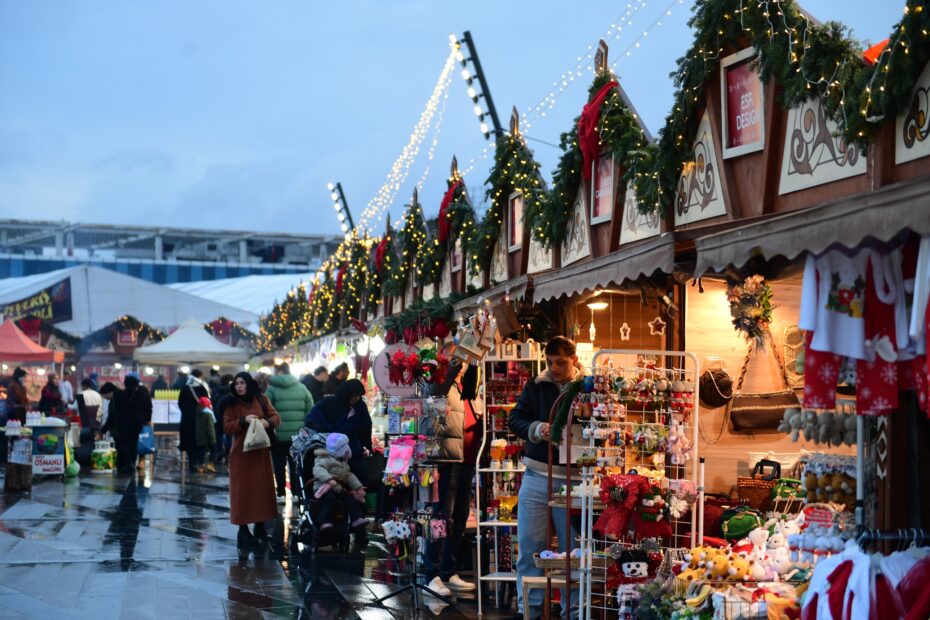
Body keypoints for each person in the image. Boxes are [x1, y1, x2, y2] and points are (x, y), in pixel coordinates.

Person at [508, 336, 583, 620]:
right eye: (550, 362)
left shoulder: (586, 387)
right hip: (537, 474)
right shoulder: (536, 385)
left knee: (573, 552)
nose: (554, 367)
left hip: (575, 480)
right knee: (530, 546)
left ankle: (574, 613)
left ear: (574, 360)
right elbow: (515, 418)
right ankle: (528, 610)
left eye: (561, 362)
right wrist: (537, 428)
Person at [425, 353, 481, 596]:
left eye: (462, 364)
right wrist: (449, 373)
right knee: (441, 516)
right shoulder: (439, 384)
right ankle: (432, 573)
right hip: (448, 460)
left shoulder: (465, 386)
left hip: (467, 459)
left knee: (459, 517)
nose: (460, 367)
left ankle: (449, 571)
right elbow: (434, 397)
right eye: (455, 363)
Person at [221, 372, 280, 548]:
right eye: (236, 383)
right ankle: (243, 530)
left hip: (260, 454)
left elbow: (276, 417)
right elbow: (226, 427)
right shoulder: (230, 403)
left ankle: (260, 527)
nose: (239, 386)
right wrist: (243, 420)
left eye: (242, 383)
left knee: (261, 490)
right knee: (243, 492)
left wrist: (267, 422)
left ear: (249, 384)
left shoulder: (261, 399)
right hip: (241, 455)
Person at [265, 363, 314, 502]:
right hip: (297, 435)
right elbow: (310, 409)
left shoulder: (271, 389)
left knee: (279, 465)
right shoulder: (301, 387)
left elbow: (265, 409)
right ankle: (296, 493)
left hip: (277, 435)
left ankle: (280, 493)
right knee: (295, 465)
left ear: (279, 372)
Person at [305, 379, 372, 478]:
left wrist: (368, 447)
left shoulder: (360, 406)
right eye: (354, 396)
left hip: (353, 452)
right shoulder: (329, 403)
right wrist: (326, 432)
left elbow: (366, 426)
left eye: (359, 396)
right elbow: (311, 420)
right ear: (346, 394)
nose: (356, 399)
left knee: (353, 480)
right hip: (330, 453)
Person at [312, 432, 370, 532]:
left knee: (349, 498)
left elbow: (348, 475)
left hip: (338, 488)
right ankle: (324, 521)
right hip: (324, 487)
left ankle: (356, 518)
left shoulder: (343, 461)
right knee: (330, 499)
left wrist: (358, 487)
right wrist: (329, 479)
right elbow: (318, 470)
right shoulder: (324, 458)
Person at [101, 372, 152, 474]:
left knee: (124, 444)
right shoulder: (143, 393)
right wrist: (147, 420)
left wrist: (104, 429)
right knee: (133, 443)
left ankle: (128, 464)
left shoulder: (121, 395)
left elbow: (115, 414)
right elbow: (148, 408)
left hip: (124, 424)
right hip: (137, 423)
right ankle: (132, 463)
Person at [178, 369, 210, 472]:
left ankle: (191, 459)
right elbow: (207, 403)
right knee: (199, 439)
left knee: (188, 438)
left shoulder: (185, 388)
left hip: (187, 418)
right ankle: (197, 461)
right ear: (199, 377)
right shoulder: (202, 388)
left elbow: (180, 403)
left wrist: (186, 411)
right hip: (200, 418)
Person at [212, 374, 234, 464]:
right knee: (229, 436)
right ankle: (228, 454)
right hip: (229, 417)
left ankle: (220, 451)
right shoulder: (232, 393)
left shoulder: (217, 391)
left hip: (218, 417)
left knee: (218, 435)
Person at [194, 396, 217, 473]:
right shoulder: (208, 414)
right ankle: (210, 464)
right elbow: (210, 428)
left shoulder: (198, 412)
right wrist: (213, 438)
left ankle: (201, 467)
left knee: (201, 452)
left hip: (200, 438)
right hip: (208, 438)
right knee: (214, 450)